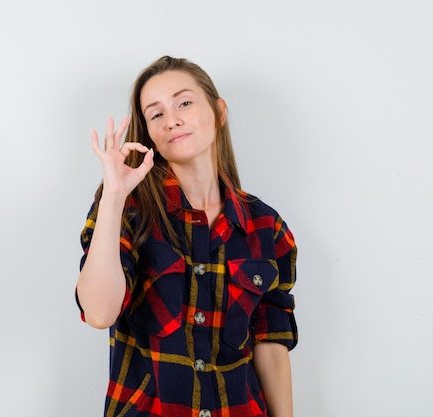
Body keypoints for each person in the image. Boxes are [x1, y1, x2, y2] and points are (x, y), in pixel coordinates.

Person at [76, 56, 297, 417]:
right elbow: (99, 312)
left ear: (218, 111)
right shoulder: (128, 208)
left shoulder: (265, 225)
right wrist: (114, 196)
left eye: (184, 102)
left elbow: (271, 345)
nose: (172, 119)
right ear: (148, 133)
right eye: (156, 114)